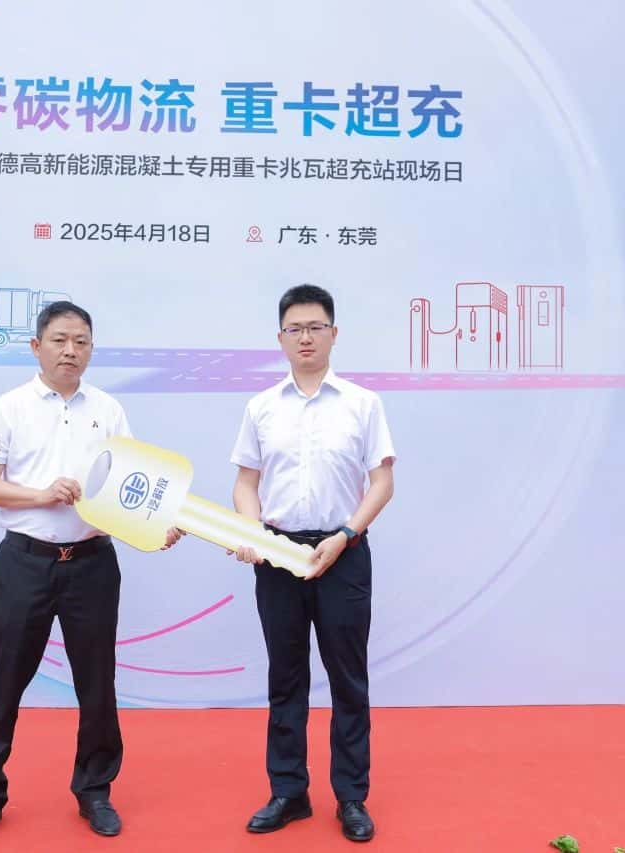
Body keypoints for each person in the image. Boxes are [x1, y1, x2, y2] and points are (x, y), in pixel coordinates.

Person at [0, 301, 181, 843]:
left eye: (81, 341)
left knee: (97, 682)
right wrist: (42, 493)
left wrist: (157, 527)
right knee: (3, 680)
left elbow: (130, 490)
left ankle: (94, 789)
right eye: (59, 340)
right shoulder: (9, 408)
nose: (70, 351)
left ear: (91, 349)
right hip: (24, 562)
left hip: (91, 565)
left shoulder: (108, 410)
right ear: (37, 347)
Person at [229, 284, 396, 843]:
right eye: (295, 328)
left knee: (348, 678)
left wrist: (346, 534)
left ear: (334, 334)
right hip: (278, 556)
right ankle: (288, 791)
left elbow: (382, 482)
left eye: (316, 327)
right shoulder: (261, 407)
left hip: (342, 553)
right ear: (280, 338)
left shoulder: (362, 403)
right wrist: (250, 531)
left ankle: (351, 796)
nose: (305, 337)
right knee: (286, 677)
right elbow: (246, 482)